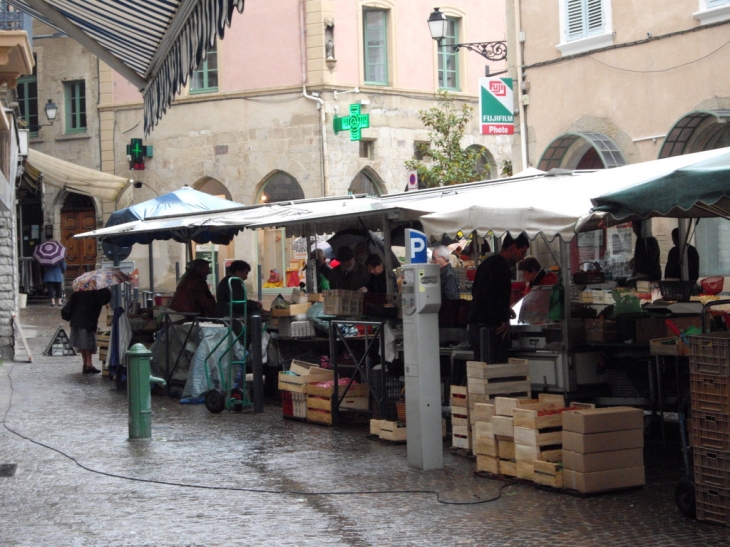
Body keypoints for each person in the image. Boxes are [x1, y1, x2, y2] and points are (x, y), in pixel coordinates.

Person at [468, 232, 530, 363]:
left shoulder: (487, 263)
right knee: (494, 369)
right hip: (490, 327)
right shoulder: (501, 266)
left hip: (476, 326)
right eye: (522, 252)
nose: (522, 258)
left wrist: (506, 310)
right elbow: (492, 295)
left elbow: (479, 292)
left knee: (481, 368)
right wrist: (503, 319)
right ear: (513, 248)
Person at [65, 287, 112, 374]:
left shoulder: (80, 289)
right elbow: (104, 299)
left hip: (76, 319)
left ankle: (85, 363)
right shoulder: (96, 290)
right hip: (88, 320)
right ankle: (89, 364)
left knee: (82, 342)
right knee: (88, 342)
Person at [630, 220, 661, 284]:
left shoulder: (649, 241)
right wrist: (634, 260)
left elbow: (650, 259)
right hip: (645, 276)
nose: (634, 230)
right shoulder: (640, 240)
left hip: (650, 277)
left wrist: (640, 268)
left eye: (634, 228)